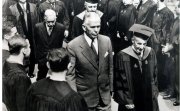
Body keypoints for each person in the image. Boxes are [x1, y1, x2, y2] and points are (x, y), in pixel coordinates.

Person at [67, 12, 113, 111]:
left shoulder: (106, 41)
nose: (96, 30)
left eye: (98, 26)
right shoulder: (73, 46)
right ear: (84, 27)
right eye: (93, 27)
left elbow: (110, 68)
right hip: (85, 98)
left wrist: (111, 89)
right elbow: (70, 75)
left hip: (105, 97)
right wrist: (74, 97)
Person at [114, 24, 159, 111]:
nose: (142, 47)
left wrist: (154, 93)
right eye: (139, 43)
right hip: (131, 100)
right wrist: (126, 100)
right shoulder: (122, 55)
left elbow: (155, 76)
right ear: (132, 41)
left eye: (144, 44)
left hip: (148, 98)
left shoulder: (151, 52)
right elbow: (118, 81)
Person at [9, 0, 38, 77]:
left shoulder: (33, 7)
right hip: (20, 35)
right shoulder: (13, 8)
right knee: (21, 52)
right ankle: (23, 72)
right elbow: (12, 23)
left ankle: (31, 72)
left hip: (32, 35)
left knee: (32, 52)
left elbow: (37, 21)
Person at [34, 9, 65, 81]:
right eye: (48, 22)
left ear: (56, 19)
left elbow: (59, 44)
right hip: (42, 58)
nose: (51, 24)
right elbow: (36, 42)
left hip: (54, 57)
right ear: (44, 18)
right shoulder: (38, 27)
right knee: (41, 76)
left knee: (55, 76)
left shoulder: (61, 28)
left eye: (53, 22)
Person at [151, 0, 174, 94]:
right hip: (153, 40)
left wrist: (163, 43)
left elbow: (168, 30)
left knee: (160, 65)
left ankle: (161, 86)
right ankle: (155, 84)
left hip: (160, 43)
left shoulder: (168, 13)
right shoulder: (155, 10)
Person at [3, 35, 31, 111]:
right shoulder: (20, 77)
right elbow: (23, 107)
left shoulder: (6, 62)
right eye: (29, 47)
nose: (30, 49)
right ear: (24, 51)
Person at [162, 1, 180, 106]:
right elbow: (171, 32)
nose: (175, 9)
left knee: (178, 75)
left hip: (177, 50)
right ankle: (173, 92)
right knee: (172, 73)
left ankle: (179, 97)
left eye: (177, 7)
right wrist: (168, 43)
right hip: (174, 50)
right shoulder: (176, 19)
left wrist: (170, 46)